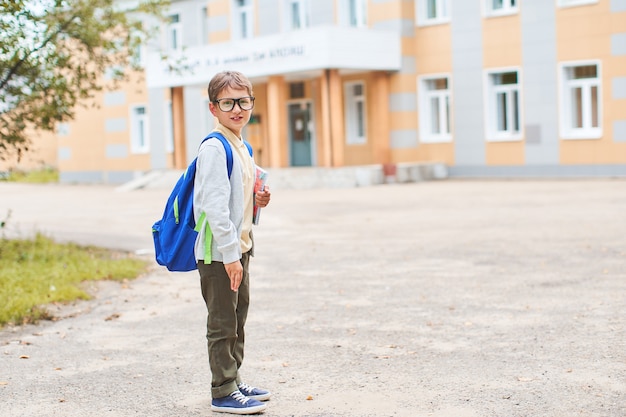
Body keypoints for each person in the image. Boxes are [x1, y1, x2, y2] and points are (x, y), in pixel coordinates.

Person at [193, 70, 272, 414]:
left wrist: (259, 200)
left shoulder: (240, 144)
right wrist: (228, 256)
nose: (237, 108)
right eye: (228, 102)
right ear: (214, 108)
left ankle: (234, 380)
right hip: (218, 253)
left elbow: (235, 197)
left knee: (238, 318)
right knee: (223, 322)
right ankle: (222, 390)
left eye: (243, 101)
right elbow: (212, 206)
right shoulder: (214, 147)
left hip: (239, 248)